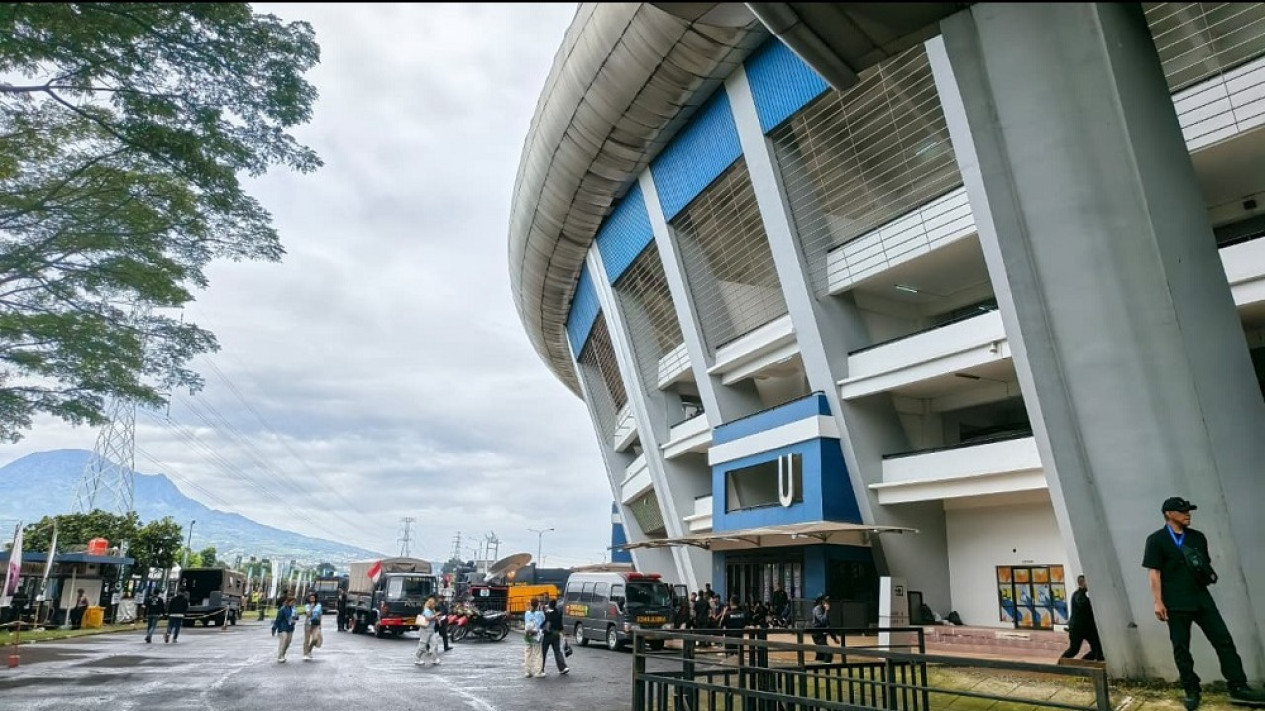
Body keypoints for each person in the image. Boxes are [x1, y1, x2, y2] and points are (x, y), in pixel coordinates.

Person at [1143, 497, 1265, 710]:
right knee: (1182, 648)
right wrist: (1158, 602)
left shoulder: (1197, 537)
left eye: (1188, 511)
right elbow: (1154, 573)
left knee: (1223, 640)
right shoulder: (1156, 540)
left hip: (1201, 598)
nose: (1188, 514)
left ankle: (1238, 686)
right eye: (1183, 511)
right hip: (1176, 603)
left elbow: (1204, 565)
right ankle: (1192, 690)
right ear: (1169, 514)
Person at [1060, 575, 1104, 662]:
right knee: (1074, 650)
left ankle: (1085, 662)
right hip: (1077, 629)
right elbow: (1083, 604)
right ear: (1082, 583)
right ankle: (1060, 663)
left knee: (1097, 648)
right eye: (1087, 582)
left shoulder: (1083, 596)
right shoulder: (1078, 595)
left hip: (1088, 628)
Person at [540, 598, 570, 676]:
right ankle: (563, 668)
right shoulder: (558, 613)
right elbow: (560, 626)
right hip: (556, 634)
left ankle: (541, 669)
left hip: (547, 635)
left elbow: (542, 623)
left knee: (543, 652)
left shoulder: (546, 613)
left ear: (549, 604)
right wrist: (564, 636)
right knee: (557, 651)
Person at [810, 595, 841, 663]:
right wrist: (826, 611)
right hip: (817, 634)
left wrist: (834, 638)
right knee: (828, 653)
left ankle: (817, 666)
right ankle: (826, 667)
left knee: (821, 654)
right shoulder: (817, 609)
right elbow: (823, 621)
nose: (827, 602)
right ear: (821, 602)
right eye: (825, 601)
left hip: (822, 634)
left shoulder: (823, 610)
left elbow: (827, 625)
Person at [414, 596, 440, 666]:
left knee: (435, 644)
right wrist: (435, 616)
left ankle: (434, 659)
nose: (435, 605)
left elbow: (432, 618)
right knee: (423, 645)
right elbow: (428, 618)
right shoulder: (427, 611)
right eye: (434, 604)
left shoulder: (432, 610)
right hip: (425, 630)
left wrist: (437, 617)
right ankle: (417, 658)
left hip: (431, 630)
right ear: (430, 604)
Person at [523, 598, 546, 678]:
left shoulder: (526, 613)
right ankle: (538, 672)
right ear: (537, 605)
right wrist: (542, 609)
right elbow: (544, 620)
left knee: (528, 653)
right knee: (538, 653)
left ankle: (527, 671)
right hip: (536, 635)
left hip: (527, 634)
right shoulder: (540, 614)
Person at [272, 596, 298, 663]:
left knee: (288, 642)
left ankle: (283, 654)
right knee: (284, 640)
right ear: (288, 602)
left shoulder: (294, 609)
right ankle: (280, 656)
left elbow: (297, 618)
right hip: (282, 627)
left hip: (290, 628)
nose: (293, 603)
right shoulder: (282, 609)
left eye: (294, 602)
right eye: (292, 602)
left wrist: (296, 616)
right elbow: (278, 619)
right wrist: (274, 628)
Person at [302, 592, 323, 661]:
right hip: (308, 624)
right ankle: (305, 654)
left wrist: (320, 625)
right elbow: (308, 614)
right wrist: (311, 607)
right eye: (310, 597)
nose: (312, 599)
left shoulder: (319, 605)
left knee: (315, 639)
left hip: (316, 624)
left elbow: (320, 615)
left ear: (315, 598)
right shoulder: (307, 605)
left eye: (313, 597)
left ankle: (309, 650)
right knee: (307, 639)